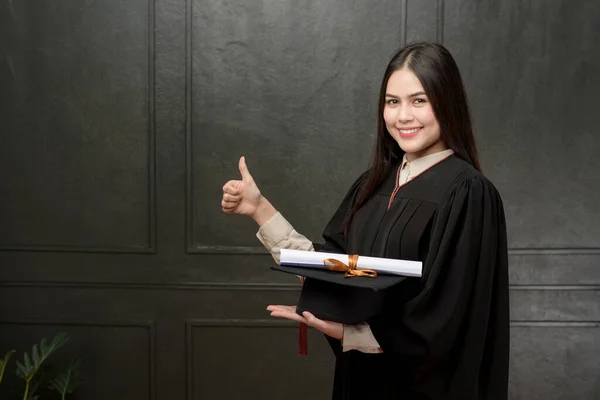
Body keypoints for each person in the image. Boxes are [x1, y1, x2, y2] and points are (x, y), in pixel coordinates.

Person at [221, 42, 509, 400]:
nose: (403, 116)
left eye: (419, 100)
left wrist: (352, 334)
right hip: (359, 381)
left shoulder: (467, 192)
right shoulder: (372, 184)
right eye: (393, 102)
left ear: (446, 101)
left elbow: (450, 314)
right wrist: (259, 208)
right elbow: (333, 268)